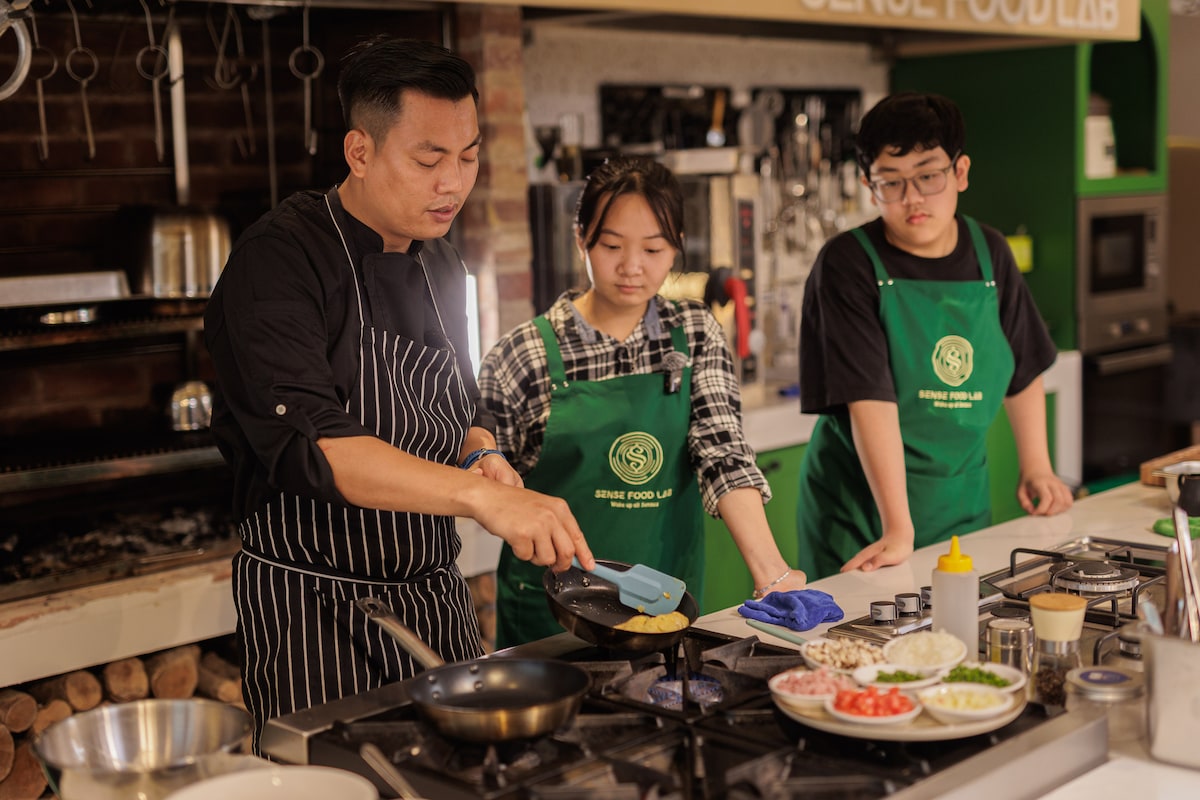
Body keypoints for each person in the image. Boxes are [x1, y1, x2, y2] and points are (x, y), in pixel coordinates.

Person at [203, 36, 594, 749]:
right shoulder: (278, 261)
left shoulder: (442, 259)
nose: (454, 183)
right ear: (359, 151)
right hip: (312, 606)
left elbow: (461, 400)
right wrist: (483, 499)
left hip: (431, 593)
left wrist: (481, 456)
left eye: (469, 156)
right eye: (428, 159)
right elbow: (313, 445)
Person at [478, 156, 807, 648]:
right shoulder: (522, 355)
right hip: (552, 615)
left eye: (653, 248)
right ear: (581, 238)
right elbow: (484, 482)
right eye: (611, 245)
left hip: (662, 604)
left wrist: (773, 573)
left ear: (676, 248)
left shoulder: (694, 334)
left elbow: (722, 454)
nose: (632, 267)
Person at [795, 92, 1074, 581]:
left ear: (960, 172)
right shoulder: (848, 262)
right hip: (864, 511)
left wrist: (1037, 466)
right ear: (867, 184)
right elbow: (868, 399)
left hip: (960, 500)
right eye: (891, 183)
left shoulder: (991, 253)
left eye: (928, 175)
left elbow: (1022, 363)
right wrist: (898, 528)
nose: (912, 199)